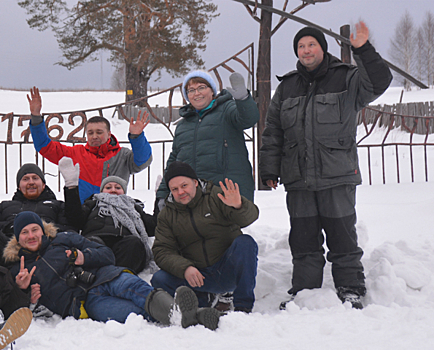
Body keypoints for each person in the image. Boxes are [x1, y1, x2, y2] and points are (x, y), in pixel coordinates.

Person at [259, 23, 392, 309]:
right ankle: (305, 290)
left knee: (343, 237)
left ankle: (351, 288)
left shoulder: (347, 78)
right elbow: (273, 130)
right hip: (298, 179)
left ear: (322, 47)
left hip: (337, 175)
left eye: (311, 45)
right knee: (303, 240)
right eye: (301, 46)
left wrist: (363, 50)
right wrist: (269, 169)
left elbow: (379, 82)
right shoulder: (287, 86)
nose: (306, 50)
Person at [3, 211, 219, 329]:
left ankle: (182, 313)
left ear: (42, 230)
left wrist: (83, 257)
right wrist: (22, 291)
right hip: (85, 303)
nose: (31, 236)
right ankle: (192, 315)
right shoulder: (18, 269)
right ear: (17, 238)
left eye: (35, 229)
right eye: (24, 232)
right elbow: (16, 309)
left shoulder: (63, 239)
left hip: (106, 276)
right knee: (134, 314)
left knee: (137, 290)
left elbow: (107, 254)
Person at [150, 162, 259, 313]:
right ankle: (200, 302)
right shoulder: (167, 215)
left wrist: (239, 206)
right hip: (197, 276)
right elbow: (162, 251)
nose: (180, 192)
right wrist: (185, 268)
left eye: (184, 185)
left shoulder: (215, 196)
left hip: (226, 268)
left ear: (195, 182)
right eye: (174, 189)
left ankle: (243, 306)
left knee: (246, 243)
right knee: (159, 279)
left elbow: (249, 218)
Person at [27, 87, 153, 201]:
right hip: (83, 215)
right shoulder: (75, 153)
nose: (94, 136)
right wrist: (36, 117)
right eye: (90, 133)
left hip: (114, 215)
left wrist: (137, 137)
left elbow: (143, 160)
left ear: (109, 134)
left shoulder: (122, 156)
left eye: (99, 132)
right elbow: (45, 147)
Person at [155, 71, 259, 204]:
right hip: (193, 199)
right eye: (191, 90)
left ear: (212, 91)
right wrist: (163, 194)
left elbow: (248, 119)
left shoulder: (227, 110)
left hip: (226, 195)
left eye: (201, 87)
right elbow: (174, 162)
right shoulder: (183, 125)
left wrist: (243, 99)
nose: (196, 93)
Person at [62, 158, 156, 274]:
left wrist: (161, 201)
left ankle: (122, 277)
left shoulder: (133, 207)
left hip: (123, 244)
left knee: (134, 243)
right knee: (92, 243)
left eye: (118, 188)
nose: (113, 190)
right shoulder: (93, 203)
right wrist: (71, 188)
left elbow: (153, 226)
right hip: (97, 240)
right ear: (101, 191)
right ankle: (98, 278)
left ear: (124, 191)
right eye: (108, 187)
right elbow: (75, 218)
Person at [0, 163, 70, 236]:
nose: (31, 182)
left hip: (47, 246)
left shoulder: (57, 205)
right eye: (25, 179)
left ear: (43, 185)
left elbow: (68, 228)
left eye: (35, 178)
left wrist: (41, 229)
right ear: (19, 186)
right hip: (12, 247)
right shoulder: (5, 206)